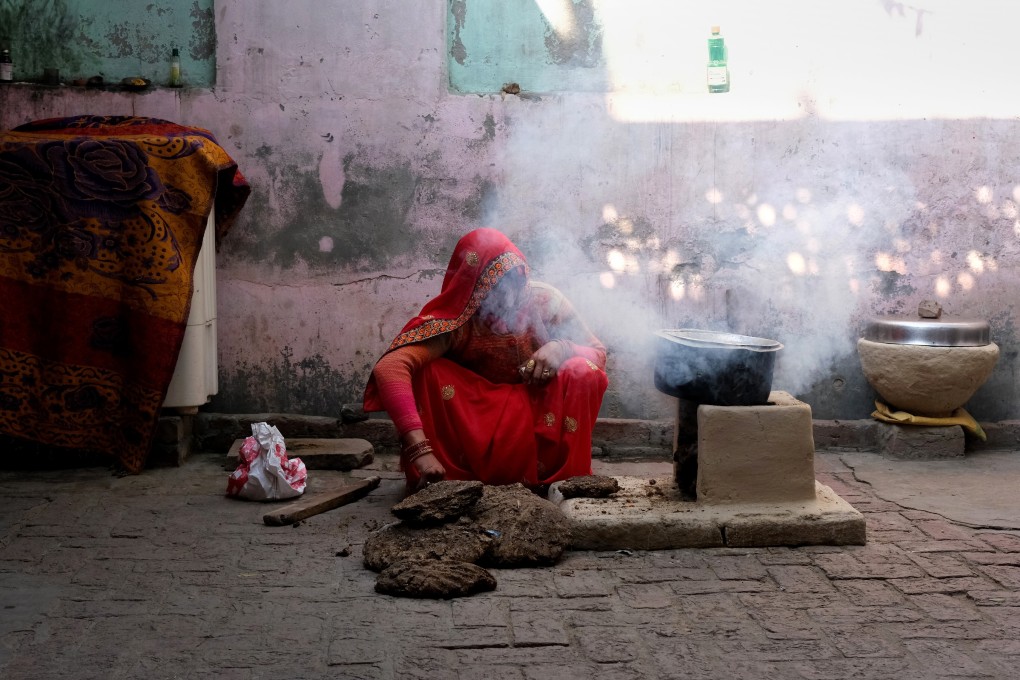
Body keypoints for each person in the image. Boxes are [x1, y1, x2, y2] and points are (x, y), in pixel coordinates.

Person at [363, 228, 609, 493]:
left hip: (538, 416)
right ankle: (446, 482)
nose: (510, 296)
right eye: (495, 286)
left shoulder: (545, 301)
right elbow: (389, 367)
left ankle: (563, 479)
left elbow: (598, 353)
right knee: (427, 371)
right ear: (472, 286)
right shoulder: (456, 321)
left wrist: (561, 348)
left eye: (515, 279)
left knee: (584, 370)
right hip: (477, 423)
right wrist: (419, 449)